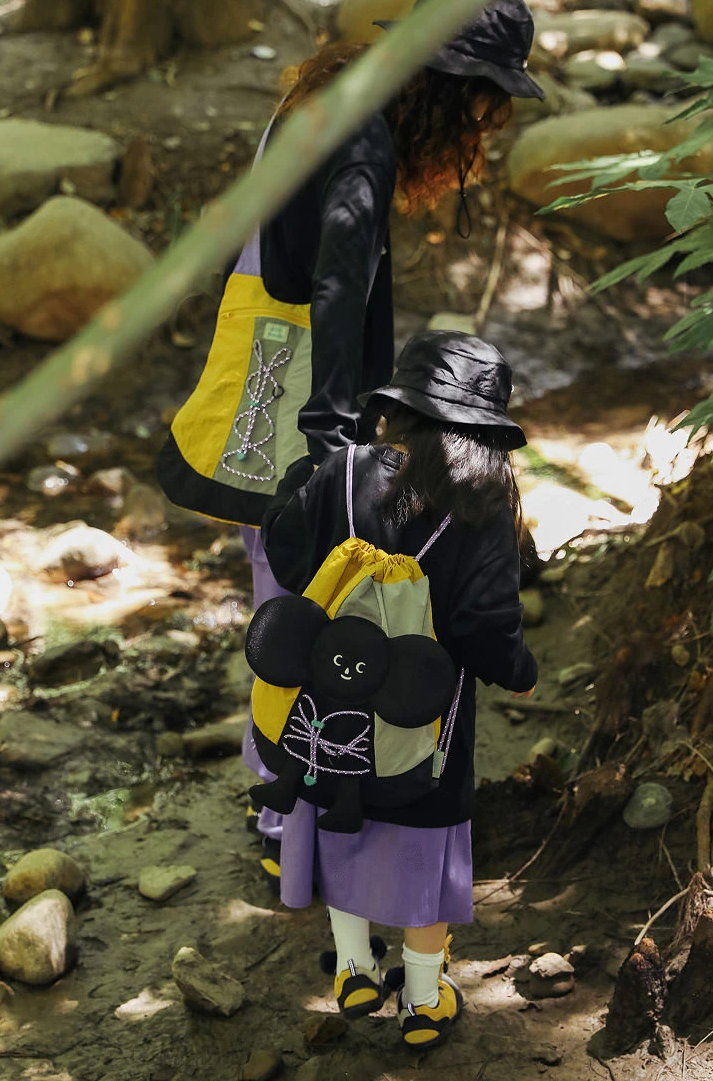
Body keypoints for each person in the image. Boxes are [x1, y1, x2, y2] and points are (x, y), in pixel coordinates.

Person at [155, 0, 544, 879]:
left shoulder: (324, 96)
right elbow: (336, 286)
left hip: (256, 373)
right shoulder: (363, 144)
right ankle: (285, 811)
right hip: (298, 395)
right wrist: (332, 442)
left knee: (285, 585)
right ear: (447, 89)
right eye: (485, 106)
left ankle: (283, 792)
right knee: (301, 598)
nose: (485, 128)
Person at [259, 330, 539, 1048]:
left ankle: (353, 969)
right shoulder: (483, 500)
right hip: (427, 724)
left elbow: (286, 554)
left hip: (331, 708)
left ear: (399, 409)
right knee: (424, 855)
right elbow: (485, 623)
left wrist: (300, 483)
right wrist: (520, 672)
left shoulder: (345, 469)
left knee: (340, 824)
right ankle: (421, 1000)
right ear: (486, 430)